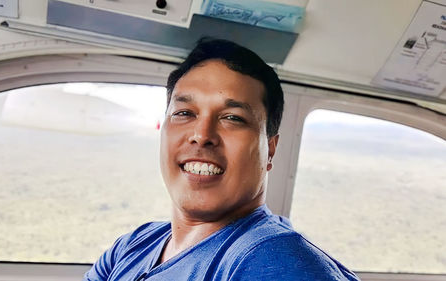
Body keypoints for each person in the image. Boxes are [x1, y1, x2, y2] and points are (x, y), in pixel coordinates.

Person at [83, 38, 360, 281]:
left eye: (232, 118)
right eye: (184, 113)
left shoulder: (274, 261)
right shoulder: (133, 245)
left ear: (270, 150)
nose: (201, 135)